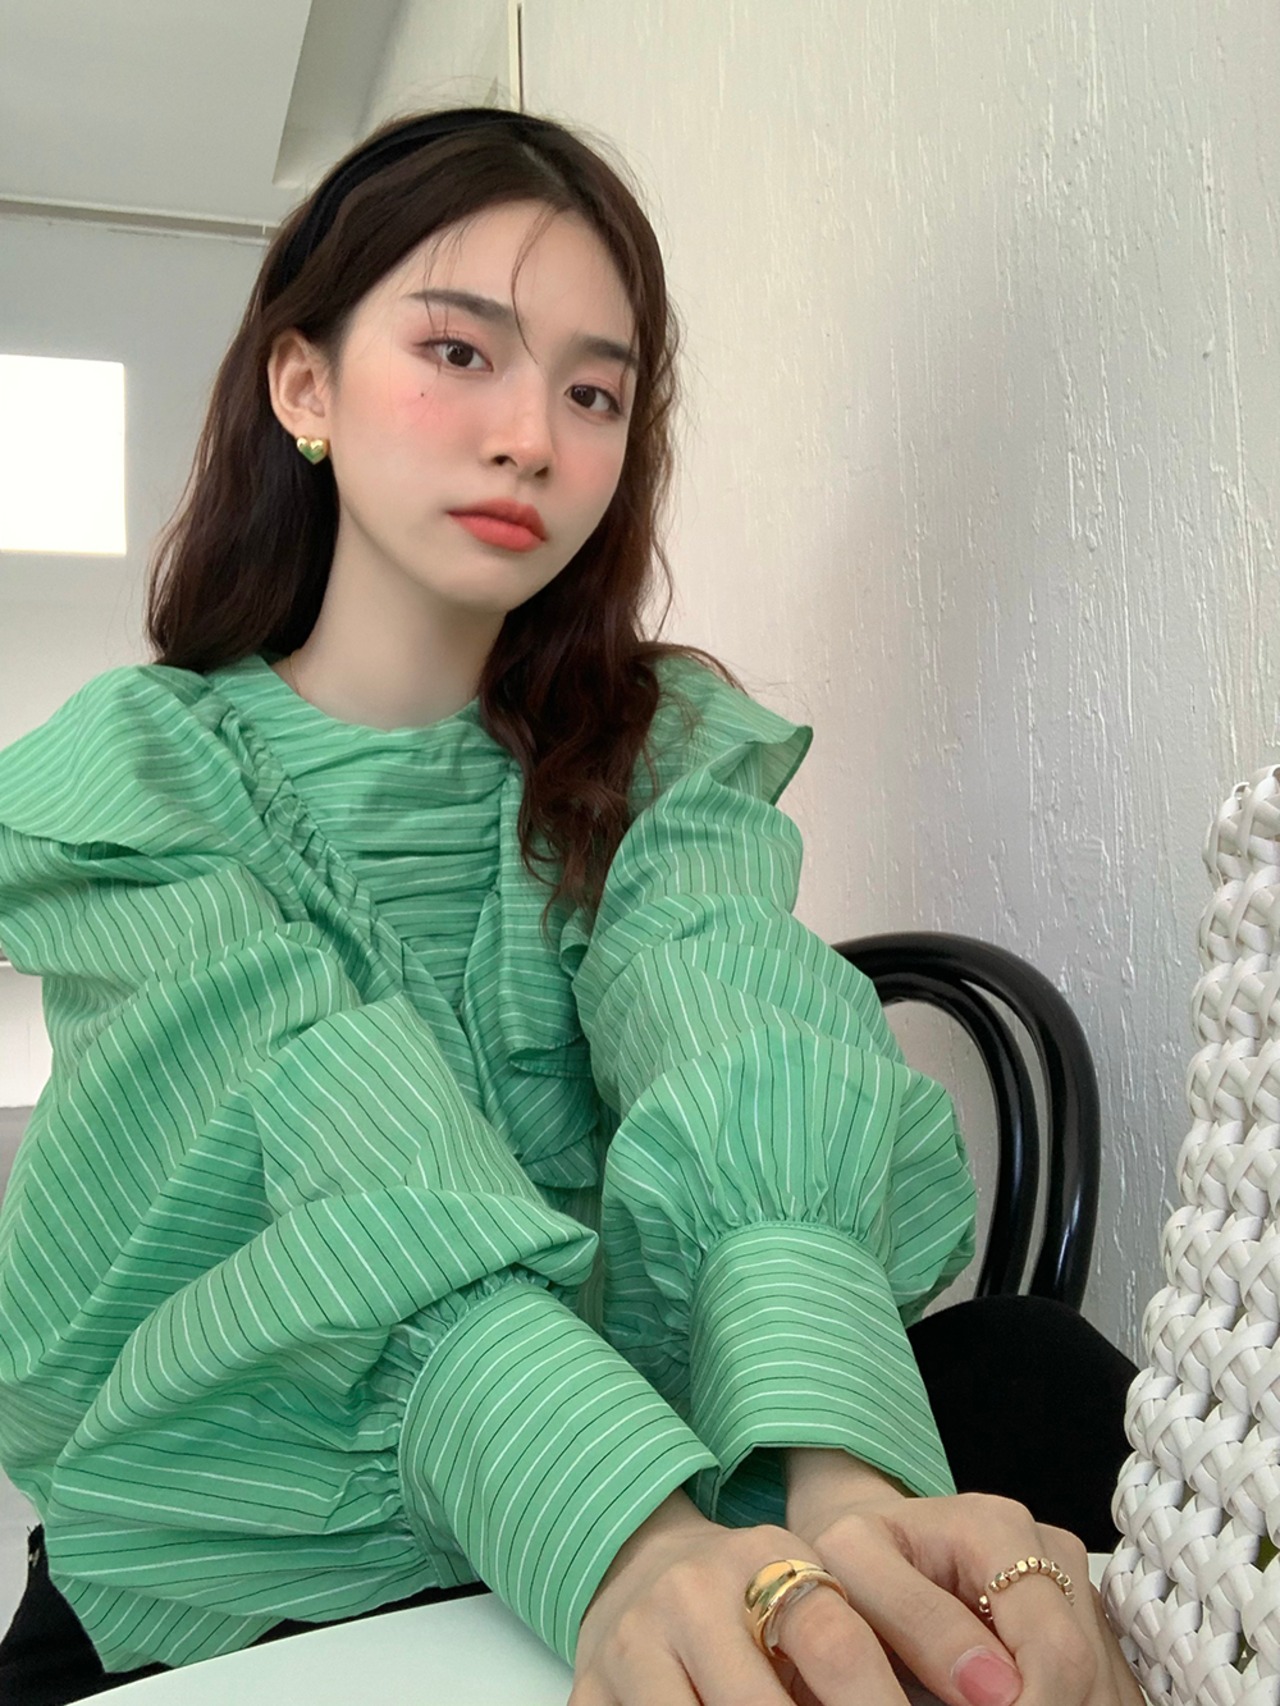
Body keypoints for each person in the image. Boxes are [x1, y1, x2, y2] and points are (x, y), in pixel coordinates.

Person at [0, 107, 1141, 1706]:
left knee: (1036, 1382)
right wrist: (620, 1528)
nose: (533, 437)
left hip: (673, 1452)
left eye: (594, 391)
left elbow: (727, 1022)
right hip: (298, 1494)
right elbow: (299, 1129)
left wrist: (844, 1472)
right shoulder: (139, 770)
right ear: (302, 384)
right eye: (460, 352)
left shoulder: (664, 745)